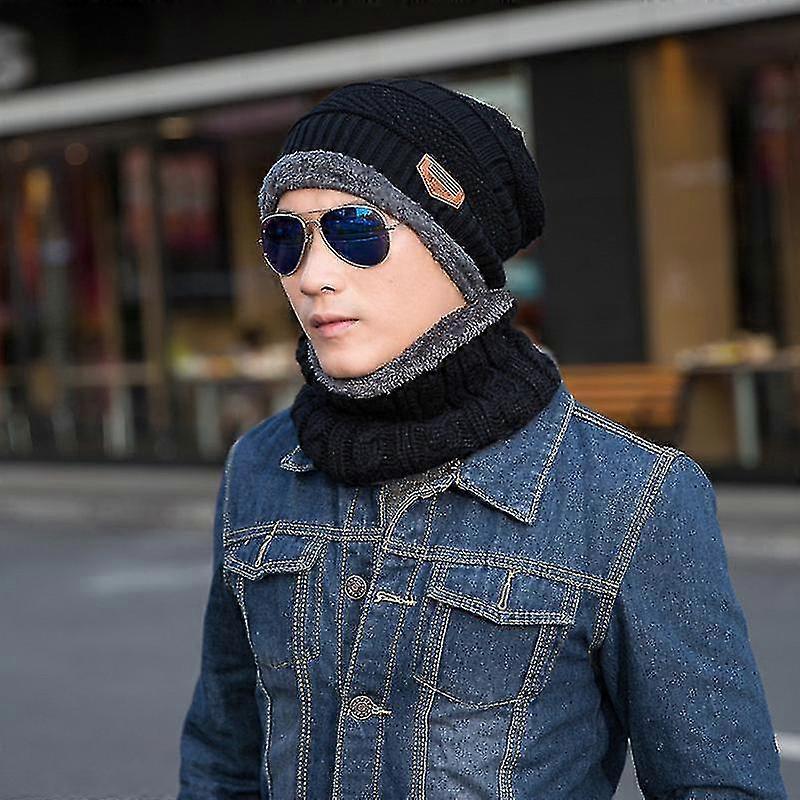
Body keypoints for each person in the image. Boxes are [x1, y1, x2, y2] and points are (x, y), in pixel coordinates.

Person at [177, 78, 788, 800]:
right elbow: (223, 758)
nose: (312, 276)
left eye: (355, 230)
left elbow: (720, 784)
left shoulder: (630, 497)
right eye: (286, 238)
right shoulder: (260, 466)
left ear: (456, 251)